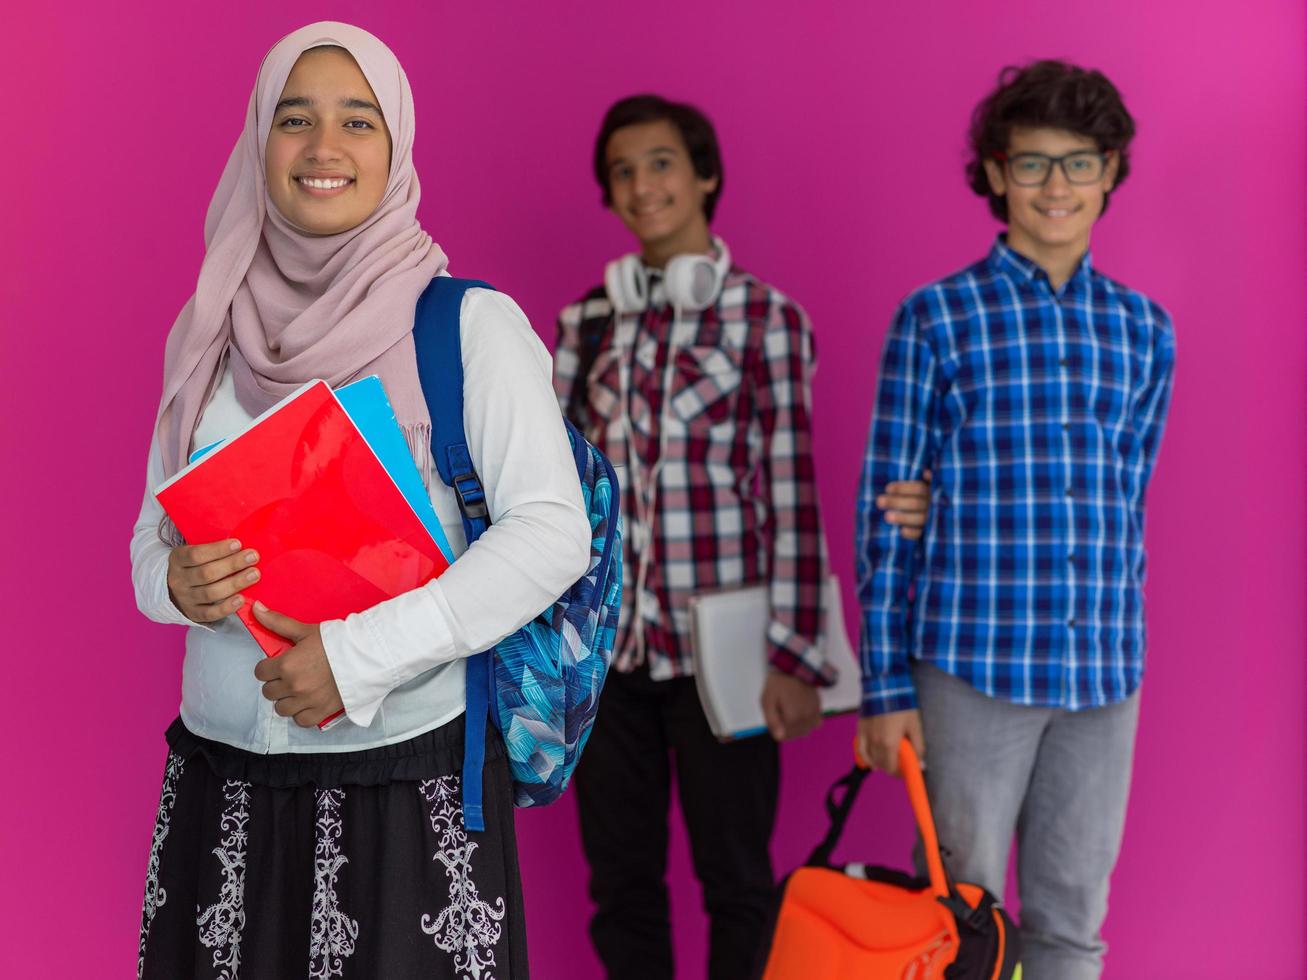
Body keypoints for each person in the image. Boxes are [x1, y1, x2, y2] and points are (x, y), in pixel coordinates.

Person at [130, 23, 589, 979]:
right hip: (223, 781)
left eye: (358, 121)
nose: (322, 148)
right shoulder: (207, 330)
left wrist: (354, 657)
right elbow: (147, 546)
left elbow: (551, 536)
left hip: (405, 780)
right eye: (294, 119)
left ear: (397, 147)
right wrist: (175, 582)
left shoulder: (466, 324)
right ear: (259, 140)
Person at [553, 94, 927, 979]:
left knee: (737, 883)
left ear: (704, 176)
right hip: (608, 659)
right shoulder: (583, 326)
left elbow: (791, 493)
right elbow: (557, 500)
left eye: (661, 164)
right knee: (621, 885)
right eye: (622, 171)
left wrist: (795, 657)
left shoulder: (766, 319)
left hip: (724, 665)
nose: (642, 186)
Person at [854, 60, 1176, 979]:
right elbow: (886, 508)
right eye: (1031, 164)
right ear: (995, 174)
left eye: (1078, 164)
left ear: (1110, 171)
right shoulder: (936, 318)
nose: (1056, 187)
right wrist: (884, 686)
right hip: (970, 662)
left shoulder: (1144, 330)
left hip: (1102, 670)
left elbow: (1127, 495)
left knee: (1072, 919)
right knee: (957, 917)